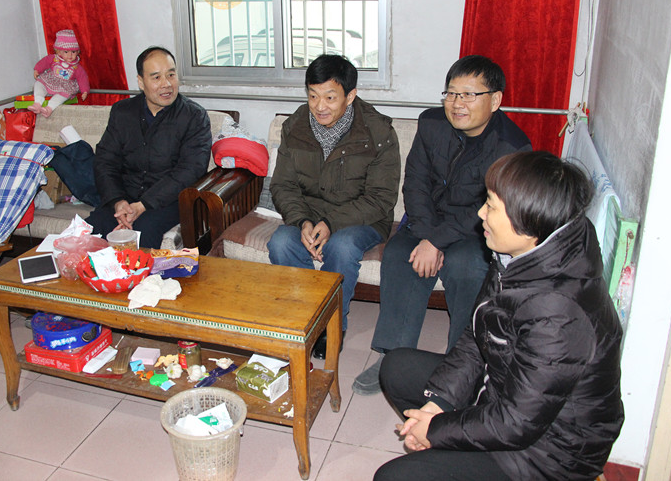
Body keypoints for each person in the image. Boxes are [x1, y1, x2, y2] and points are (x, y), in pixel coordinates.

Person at [374, 151, 625, 481]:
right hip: (504, 395)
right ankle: (450, 452)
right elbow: (476, 338)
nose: (480, 213)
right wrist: (439, 406)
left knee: (394, 478)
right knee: (397, 367)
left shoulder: (560, 315)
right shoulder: (523, 253)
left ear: (527, 222)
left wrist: (436, 430)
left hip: (548, 451)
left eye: (491, 206)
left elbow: (518, 422)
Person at [353, 55, 531, 394]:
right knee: (399, 254)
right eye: (451, 93)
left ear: (495, 100)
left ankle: (460, 363)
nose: (457, 104)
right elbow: (415, 183)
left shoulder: (511, 146)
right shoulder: (431, 124)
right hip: (426, 221)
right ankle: (392, 354)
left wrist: (436, 243)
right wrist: (426, 236)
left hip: (477, 230)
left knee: (468, 265)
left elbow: (485, 207)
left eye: (469, 95)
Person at [268, 54, 400, 359]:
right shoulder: (296, 126)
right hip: (309, 213)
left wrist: (330, 223)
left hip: (363, 218)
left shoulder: (378, 132)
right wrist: (302, 221)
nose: (319, 106)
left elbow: (381, 197)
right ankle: (304, 320)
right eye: (313, 96)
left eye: (330, 97)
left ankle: (331, 327)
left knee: (341, 246)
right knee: (281, 242)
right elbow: (283, 185)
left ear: (350, 96)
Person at [86, 46, 212, 248]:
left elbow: (190, 171)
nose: (166, 84)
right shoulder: (122, 112)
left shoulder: (194, 117)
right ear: (141, 82)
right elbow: (105, 161)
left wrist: (144, 204)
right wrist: (118, 201)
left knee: (143, 235)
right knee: (89, 234)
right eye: (156, 77)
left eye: (171, 75)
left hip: (168, 202)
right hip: (125, 198)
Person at [29, 29, 90, 118]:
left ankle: (49, 108)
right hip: (51, 81)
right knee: (38, 83)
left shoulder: (77, 67)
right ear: (58, 51)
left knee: (63, 95)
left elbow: (82, 78)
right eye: (66, 52)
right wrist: (37, 70)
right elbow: (44, 62)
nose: (70, 55)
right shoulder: (54, 59)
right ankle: (37, 103)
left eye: (73, 52)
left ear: (78, 52)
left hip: (65, 87)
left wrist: (84, 91)